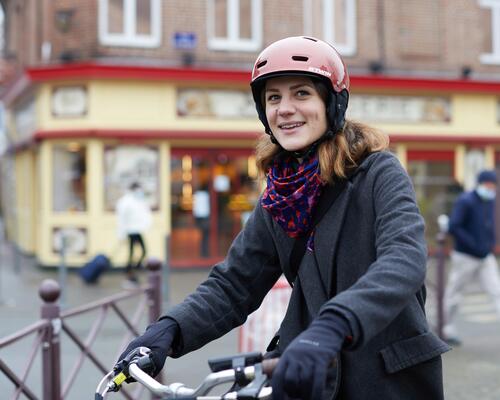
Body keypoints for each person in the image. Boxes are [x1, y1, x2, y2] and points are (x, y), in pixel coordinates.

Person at [115, 36, 449, 399]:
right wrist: (170, 330)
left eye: (302, 93)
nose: (285, 108)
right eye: (273, 98)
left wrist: (336, 322)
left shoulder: (379, 172)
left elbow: (403, 260)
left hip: (388, 379)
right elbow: (233, 285)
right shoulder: (281, 195)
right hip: (311, 379)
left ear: (332, 102)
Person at [443, 170, 500, 346]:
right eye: (489, 185)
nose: (492, 189)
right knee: (454, 294)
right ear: (481, 183)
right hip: (465, 256)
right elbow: (454, 226)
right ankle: (446, 328)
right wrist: (473, 244)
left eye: (494, 186)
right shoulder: (465, 201)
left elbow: (489, 224)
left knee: (496, 291)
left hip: (485, 257)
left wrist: (490, 243)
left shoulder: (489, 201)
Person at [116, 182, 152, 288]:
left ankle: (131, 271)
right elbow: (122, 219)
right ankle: (129, 273)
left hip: (137, 230)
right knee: (132, 254)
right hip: (131, 231)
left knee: (142, 251)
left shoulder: (137, 201)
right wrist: (121, 234)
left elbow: (143, 214)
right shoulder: (126, 201)